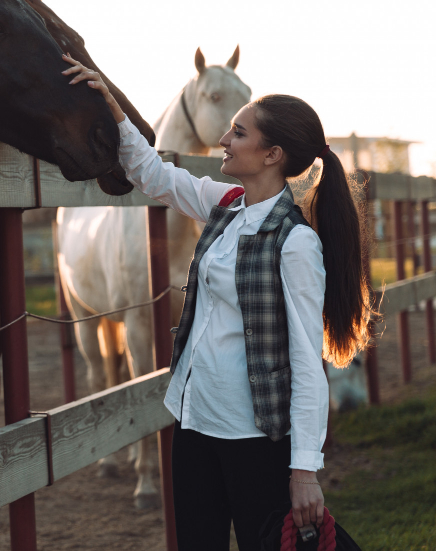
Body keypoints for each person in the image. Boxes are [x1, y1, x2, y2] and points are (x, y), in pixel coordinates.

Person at [61, 54, 372, 550]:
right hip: (193, 423)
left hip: (254, 437)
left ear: (272, 155)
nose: (224, 140)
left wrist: (305, 470)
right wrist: (111, 103)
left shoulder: (295, 243)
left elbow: (306, 364)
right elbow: (151, 173)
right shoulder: (224, 204)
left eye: (239, 133)